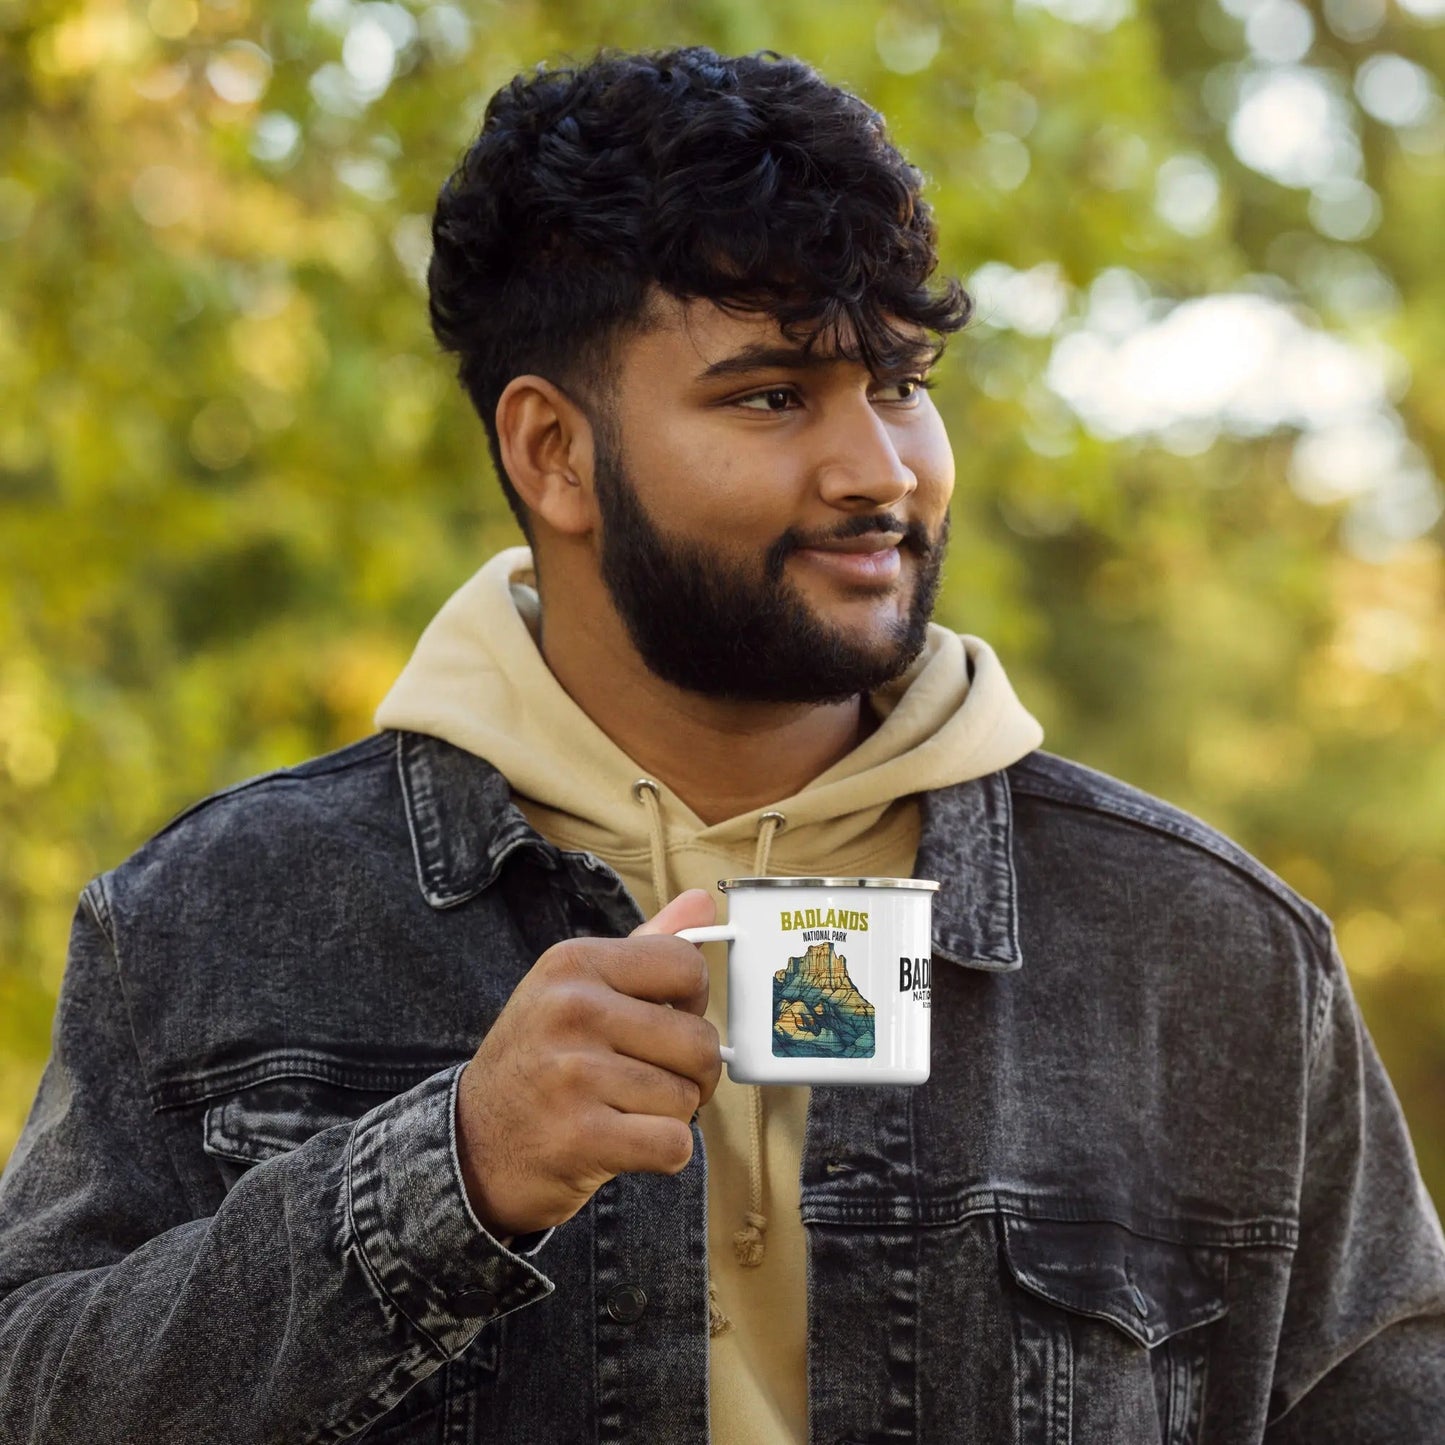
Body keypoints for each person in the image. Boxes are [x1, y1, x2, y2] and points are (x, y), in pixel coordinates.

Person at [1, 44, 1442, 1445]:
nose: (878, 470)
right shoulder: (208, 919)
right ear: (551, 452)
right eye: (771, 394)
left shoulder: (1210, 951)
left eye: (899, 381)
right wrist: (444, 1177)